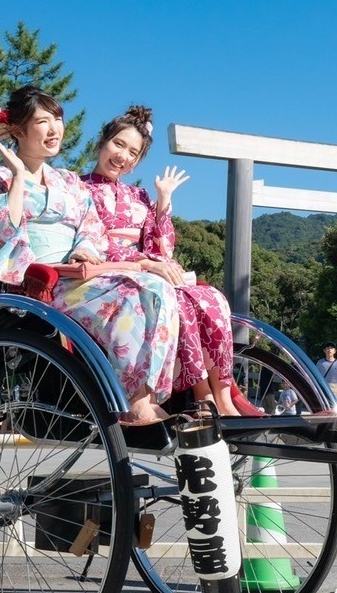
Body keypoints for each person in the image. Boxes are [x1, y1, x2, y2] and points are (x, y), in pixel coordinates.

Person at [0, 86, 180, 423]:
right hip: (38, 280)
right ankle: (129, 401)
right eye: (43, 121)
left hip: (74, 272)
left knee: (158, 289)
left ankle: (144, 396)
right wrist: (19, 178)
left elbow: (91, 226)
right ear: (18, 129)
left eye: (58, 119)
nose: (55, 129)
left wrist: (82, 251)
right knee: (131, 296)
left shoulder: (68, 181)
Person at [82, 106, 240, 416]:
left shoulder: (139, 195)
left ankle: (221, 394)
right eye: (118, 144)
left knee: (209, 298)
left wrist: (164, 200)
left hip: (147, 267)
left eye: (133, 153)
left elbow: (160, 247)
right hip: (111, 270)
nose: (123, 156)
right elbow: (92, 241)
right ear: (102, 142)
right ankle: (200, 394)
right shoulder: (78, 188)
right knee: (169, 298)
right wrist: (144, 263)